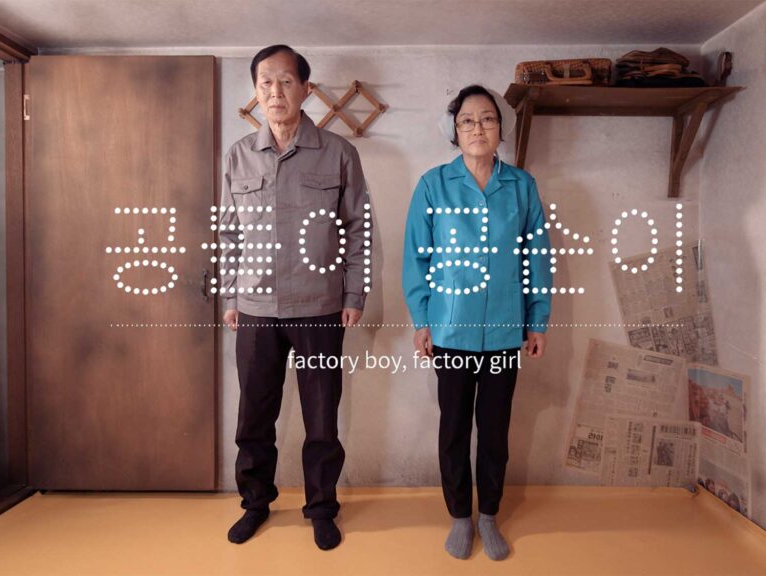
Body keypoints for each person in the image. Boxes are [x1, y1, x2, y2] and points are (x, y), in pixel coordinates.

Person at [220, 44, 370, 551]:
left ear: (306, 89)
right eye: (265, 82)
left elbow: (357, 229)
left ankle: (322, 508)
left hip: (320, 306)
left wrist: (354, 292)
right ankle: (255, 503)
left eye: (285, 81)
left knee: (321, 415)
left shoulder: (339, 153)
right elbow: (229, 234)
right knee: (254, 415)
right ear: (256, 91)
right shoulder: (239, 155)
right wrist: (231, 296)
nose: (275, 91)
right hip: (255, 308)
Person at [402, 84, 551, 560]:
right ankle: (459, 517)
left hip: (506, 330)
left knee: (494, 428)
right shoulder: (433, 185)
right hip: (450, 329)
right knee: (453, 428)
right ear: (454, 130)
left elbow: (537, 258)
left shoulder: (521, 186)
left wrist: (538, 320)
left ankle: (488, 514)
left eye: (487, 118)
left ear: (501, 128)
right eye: (467, 120)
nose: (477, 128)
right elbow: (416, 257)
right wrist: (421, 319)